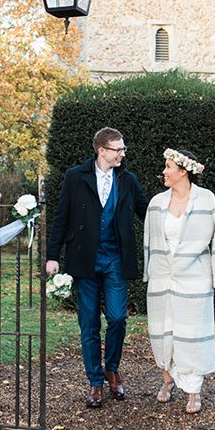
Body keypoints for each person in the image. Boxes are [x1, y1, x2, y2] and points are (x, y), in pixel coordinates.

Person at [46, 127, 149, 408]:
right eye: (118, 149)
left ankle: (112, 369)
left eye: (123, 148)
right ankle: (95, 382)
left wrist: (178, 205)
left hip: (115, 258)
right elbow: (61, 217)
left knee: (117, 318)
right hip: (84, 259)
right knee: (89, 322)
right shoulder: (75, 177)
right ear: (102, 150)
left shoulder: (128, 180)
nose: (123, 153)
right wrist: (52, 255)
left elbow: (148, 212)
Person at [143, 148, 215, 414]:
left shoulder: (206, 199)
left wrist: (211, 274)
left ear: (184, 171)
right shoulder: (156, 203)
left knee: (192, 332)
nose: (164, 171)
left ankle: (193, 390)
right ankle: (167, 379)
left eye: (168, 167)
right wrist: (151, 273)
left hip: (194, 277)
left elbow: (213, 238)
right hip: (163, 277)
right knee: (164, 330)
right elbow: (150, 241)